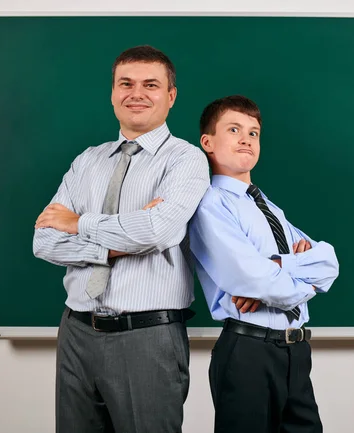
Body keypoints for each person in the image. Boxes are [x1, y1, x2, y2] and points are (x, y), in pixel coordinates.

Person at [33, 45, 210, 433]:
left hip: (147, 338)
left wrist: (78, 223)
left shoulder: (185, 160)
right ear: (113, 92)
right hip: (77, 333)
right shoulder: (88, 161)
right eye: (125, 83)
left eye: (151, 84)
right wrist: (119, 240)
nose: (137, 93)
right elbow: (43, 242)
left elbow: (156, 231)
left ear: (171, 96)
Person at [189, 95, 339, 433]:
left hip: (296, 352)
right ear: (208, 142)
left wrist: (277, 265)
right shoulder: (210, 204)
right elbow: (253, 279)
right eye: (234, 129)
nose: (246, 139)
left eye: (254, 133)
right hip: (249, 352)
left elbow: (329, 263)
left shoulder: (268, 206)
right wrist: (296, 272)